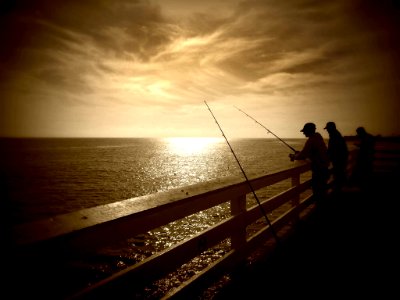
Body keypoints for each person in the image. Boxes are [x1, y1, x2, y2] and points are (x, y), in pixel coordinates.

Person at [289, 122, 330, 205]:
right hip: (325, 169)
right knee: (322, 192)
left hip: (319, 171)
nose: (303, 133)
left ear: (308, 131)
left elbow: (303, 155)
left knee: (318, 193)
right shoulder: (318, 138)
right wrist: (299, 153)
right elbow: (309, 152)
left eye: (304, 131)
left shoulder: (311, 140)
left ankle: (321, 212)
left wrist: (294, 156)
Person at [324, 121, 349, 194]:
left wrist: (326, 157)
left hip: (339, 160)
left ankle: (338, 194)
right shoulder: (337, 135)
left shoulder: (334, 136)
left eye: (328, 129)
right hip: (341, 159)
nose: (327, 130)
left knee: (338, 176)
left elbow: (332, 150)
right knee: (339, 176)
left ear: (331, 128)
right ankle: (339, 191)